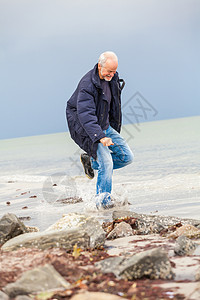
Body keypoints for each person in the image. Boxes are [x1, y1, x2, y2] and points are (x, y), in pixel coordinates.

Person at [66, 51, 133, 209]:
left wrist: (112, 129)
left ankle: (91, 162)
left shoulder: (113, 79)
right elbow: (85, 115)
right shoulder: (87, 85)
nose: (112, 74)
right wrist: (100, 137)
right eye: (109, 71)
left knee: (127, 157)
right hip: (86, 128)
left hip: (104, 125)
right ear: (99, 65)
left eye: (114, 71)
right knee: (107, 163)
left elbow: (113, 106)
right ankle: (102, 203)